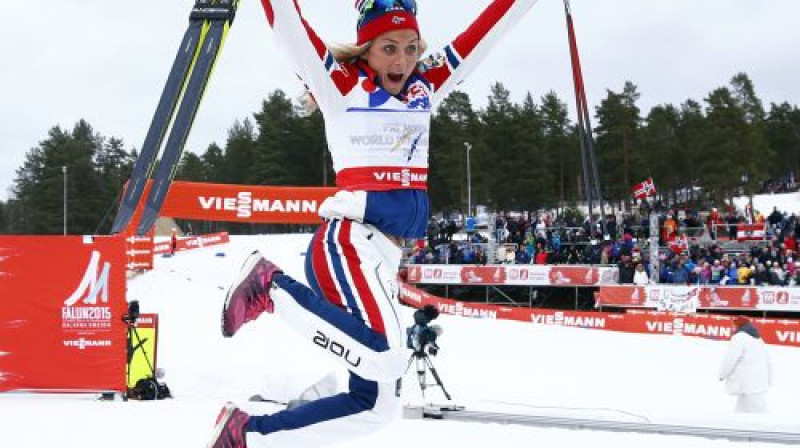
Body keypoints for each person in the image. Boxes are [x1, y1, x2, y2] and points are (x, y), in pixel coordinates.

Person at [206, 1, 538, 447]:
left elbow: (487, 32)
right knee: (385, 356)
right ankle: (270, 286)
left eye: (410, 48)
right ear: (366, 50)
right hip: (346, 244)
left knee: (377, 405)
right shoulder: (340, 85)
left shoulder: (426, 86)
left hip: (382, 257)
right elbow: (288, 25)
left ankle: (248, 434)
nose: (402, 61)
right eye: (388, 48)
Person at [719, 316, 773, 413]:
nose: (732, 327)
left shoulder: (739, 338)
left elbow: (730, 359)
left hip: (747, 382)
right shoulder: (757, 339)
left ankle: (772, 427)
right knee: (742, 410)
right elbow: (768, 361)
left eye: (734, 325)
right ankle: (738, 425)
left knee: (760, 410)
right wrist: (769, 379)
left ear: (739, 325)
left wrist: (722, 374)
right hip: (758, 380)